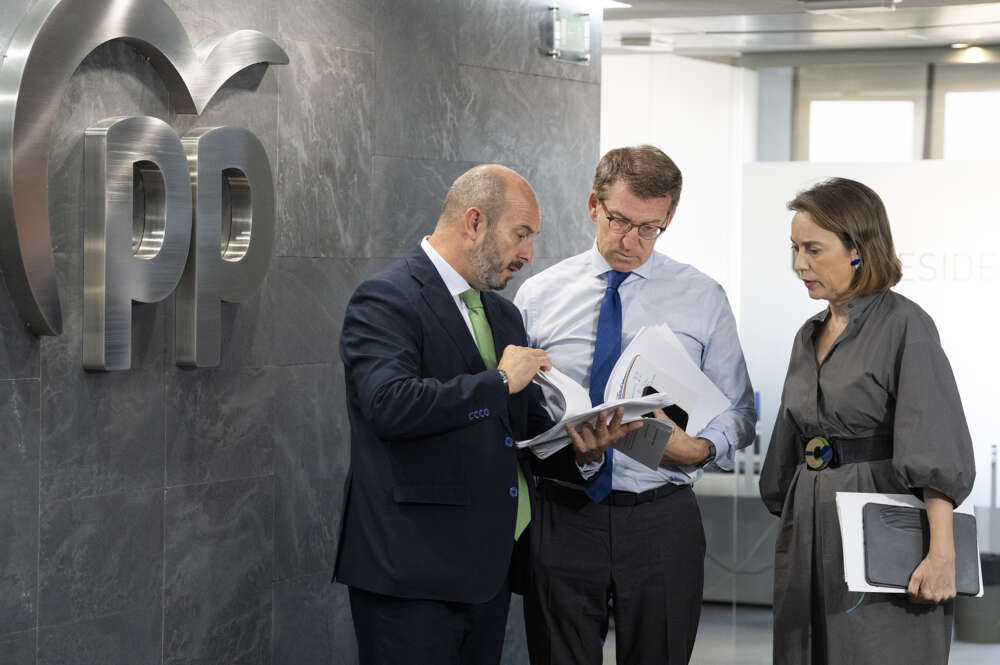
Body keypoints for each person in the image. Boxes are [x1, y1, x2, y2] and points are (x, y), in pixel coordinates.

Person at [333, 164, 637, 665]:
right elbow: (389, 405)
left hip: (488, 575)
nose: (528, 254)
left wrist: (582, 451)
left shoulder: (503, 314)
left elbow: (519, 433)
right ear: (474, 221)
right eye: (521, 235)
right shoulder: (386, 298)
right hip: (410, 577)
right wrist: (498, 380)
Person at [514, 145, 756, 665]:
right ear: (593, 207)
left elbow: (739, 410)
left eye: (649, 228)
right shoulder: (539, 295)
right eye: (619, 220)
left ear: (668, 219)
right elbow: (520, 409)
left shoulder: (703, 296)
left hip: (660, 517)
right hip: (564, 512)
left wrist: (701, 449)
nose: (630, 242)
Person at [758, 177, 976, 665]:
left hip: (881, 523)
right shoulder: (807, 334)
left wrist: (942, 556)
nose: (799, 265)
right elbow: (789, 442)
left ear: (857, 248)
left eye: (813, 250)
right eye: (794, 249)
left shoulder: (906, 325)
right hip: (811, 521)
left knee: (877, 649)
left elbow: (935, 446)